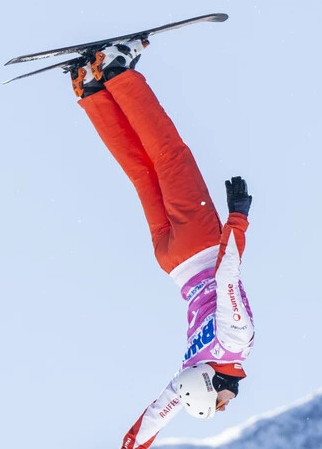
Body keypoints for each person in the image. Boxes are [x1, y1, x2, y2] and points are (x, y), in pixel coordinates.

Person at [69, 38, 255, 449]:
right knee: (142, 171)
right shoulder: (191, 368)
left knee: (170, 155)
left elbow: (227, 275)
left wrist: (238, 218)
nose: (225, 408)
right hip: (171, 262)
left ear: (213, 384)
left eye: (217, 405)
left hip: (199, 244)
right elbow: (156, 416)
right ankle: (91, 89)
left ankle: (116, 69)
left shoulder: (236, 342)